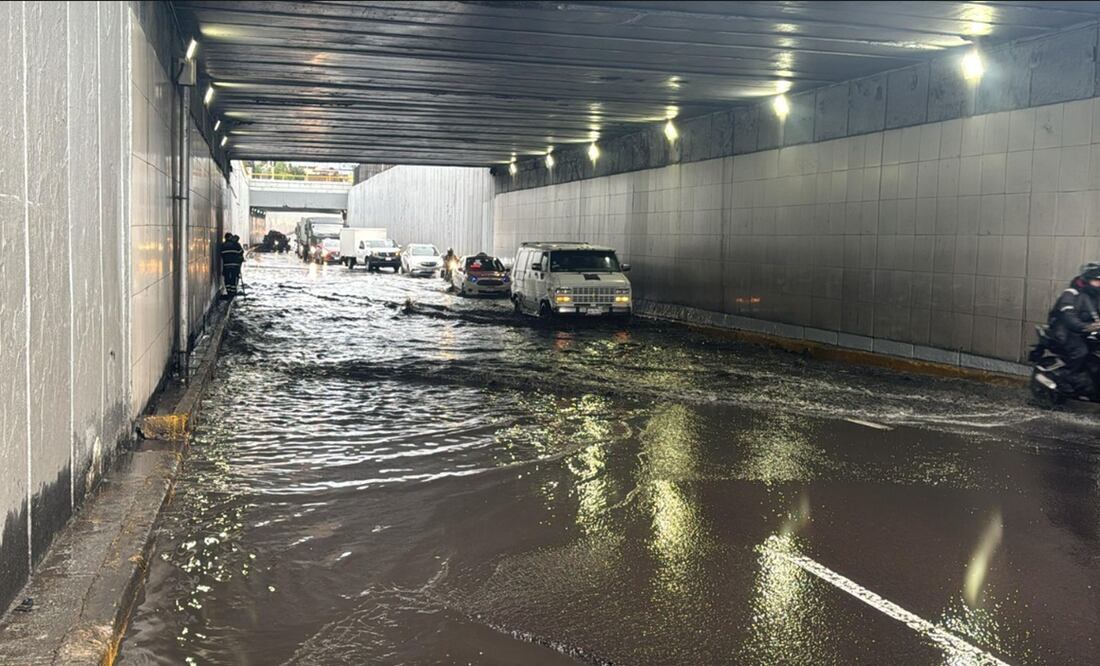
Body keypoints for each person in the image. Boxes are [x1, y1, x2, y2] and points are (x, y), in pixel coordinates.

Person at [1047, 262, 1100, 394]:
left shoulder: (1096, 296)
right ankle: (1065, 378)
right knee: (1080, 351)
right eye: (1096, 280)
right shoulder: (1071, 294)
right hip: (1065, 330)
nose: (1099, 283)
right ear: (1087, 279)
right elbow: (1068, 316)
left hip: (1087, 330)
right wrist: (1085, 326)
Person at [220, 232, 245, 298]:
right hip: (235, 265)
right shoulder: (236, 245)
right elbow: (241, 252)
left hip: (226, 265)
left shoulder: (223, 245)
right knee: (233, 278)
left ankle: (229, 292)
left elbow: (222, 254)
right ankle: (233, 292)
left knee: (227, 278)